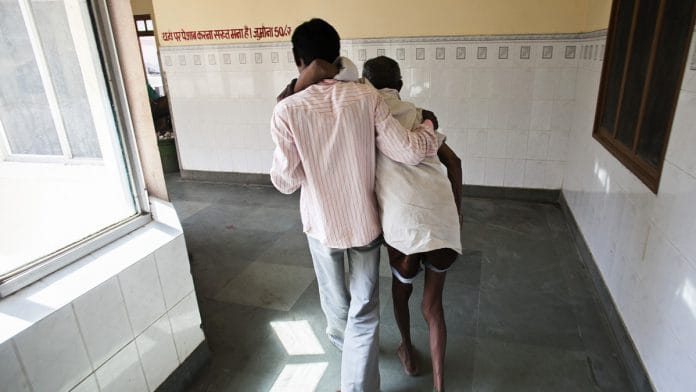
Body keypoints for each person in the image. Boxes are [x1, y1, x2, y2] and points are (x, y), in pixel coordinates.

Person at [269, 19, 440, 392]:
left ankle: (352, 363)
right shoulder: (367, 98)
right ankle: (358, 378)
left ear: (299, 61)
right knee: (364, 310)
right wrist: (428, 127)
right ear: (337, 54)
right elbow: (407, 152)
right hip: (364, 223)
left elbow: (285, 182)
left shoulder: (286, 110)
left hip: (322, 226)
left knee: (338, 310)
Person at [362, 56, 462, 392]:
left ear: (365, 83)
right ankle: (439, 385)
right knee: (433, 307)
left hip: (404, 225)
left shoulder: (366, 116)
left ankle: (406, 347)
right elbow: (455, 162)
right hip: (442, 219)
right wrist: (457, 213)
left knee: (401, 291)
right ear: (400, 83)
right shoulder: (422, 116)